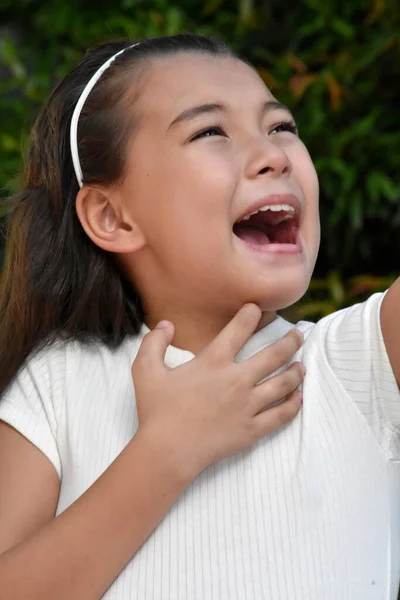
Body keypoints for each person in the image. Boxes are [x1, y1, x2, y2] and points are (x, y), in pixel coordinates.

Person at [0, 33, 398, 600]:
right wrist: (166, 451)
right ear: (113, 216)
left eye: (281, 127)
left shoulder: (362, 366)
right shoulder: (56, 383)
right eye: (210, 131)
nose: (275, 155)